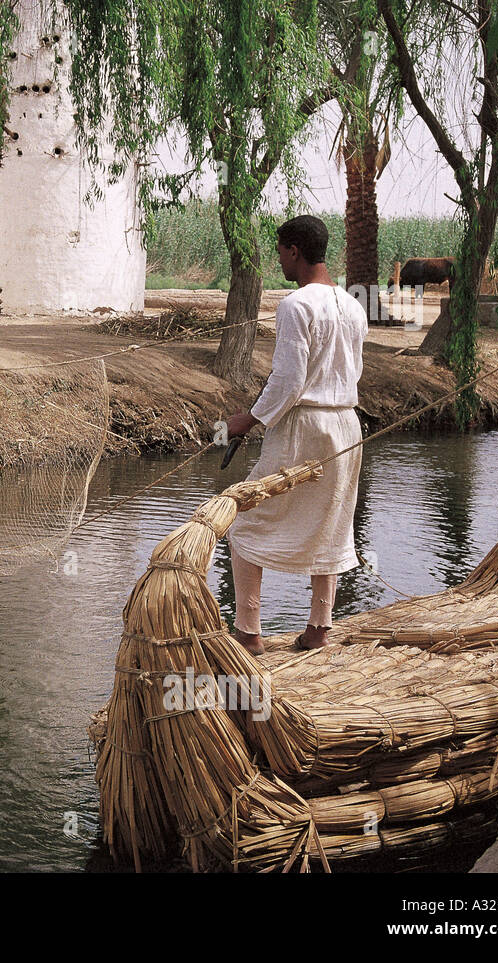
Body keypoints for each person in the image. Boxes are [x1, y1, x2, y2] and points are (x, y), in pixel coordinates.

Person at [224, 215, 368, 653]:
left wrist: (247, 420)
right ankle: (319, 628)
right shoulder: (354, 305)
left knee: (246, 519)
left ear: (294, 251)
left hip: (305, 425)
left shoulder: (295, 305)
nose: (278, 259)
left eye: (280, 251)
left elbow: (288, 381)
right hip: (346, 424)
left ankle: (248, 632)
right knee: (333, 522)